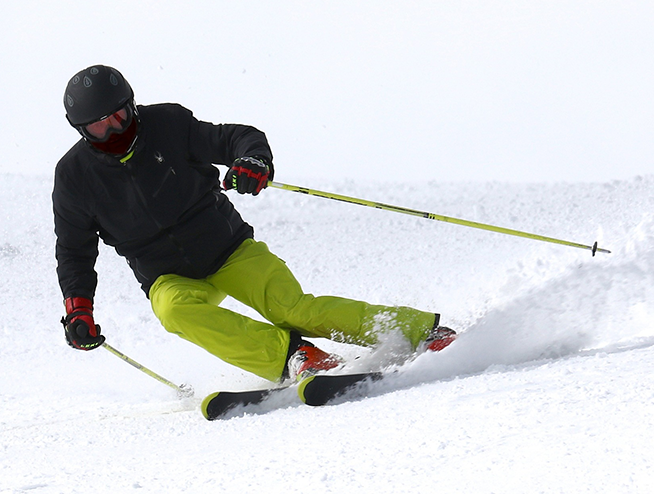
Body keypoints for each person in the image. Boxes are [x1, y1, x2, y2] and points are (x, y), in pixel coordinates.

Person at [54, 65, 456, 384]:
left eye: (119, 115)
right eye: (99, 125)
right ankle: (295, 356)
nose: (113, 129)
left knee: (294, 309)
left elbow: (237, 138)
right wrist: (78, 309)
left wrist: (252, 161)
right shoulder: (74, 177)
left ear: (132, 105)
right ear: (81, 130)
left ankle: (418, 331)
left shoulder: (168, 125)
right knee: (174, 311)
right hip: (167, 274)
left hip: (228, 249)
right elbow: (74, 250)